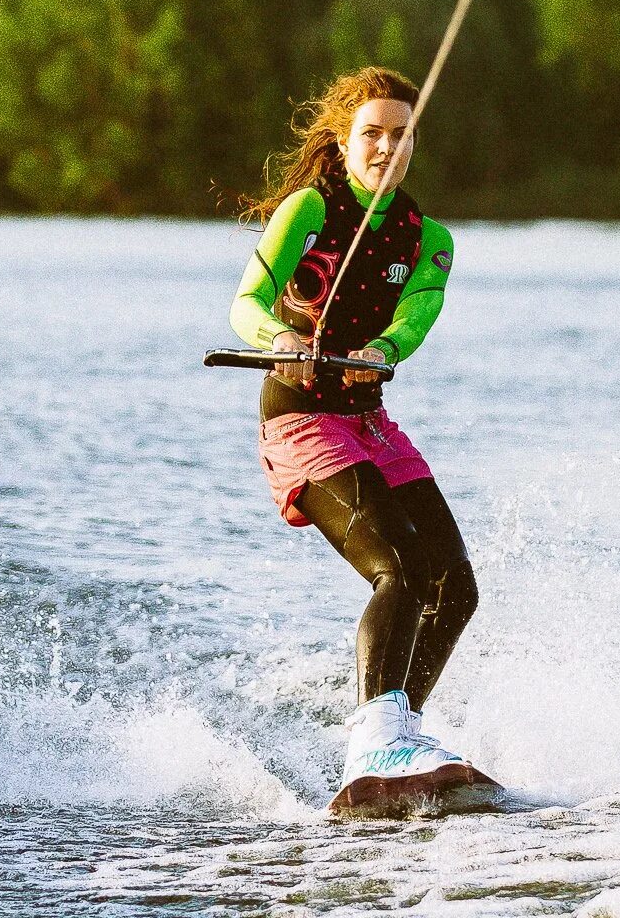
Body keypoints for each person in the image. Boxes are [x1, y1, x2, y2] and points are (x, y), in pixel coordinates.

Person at [230, 66, 479, 795]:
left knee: (453, 588)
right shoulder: (309, 210)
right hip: (302, 422)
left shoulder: (428, 238)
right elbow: (247, 301)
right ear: (343, 143)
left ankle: (392, 736)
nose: (386, 148)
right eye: (371, 134)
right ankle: (375, 742)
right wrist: (278, 336)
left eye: (401, 135)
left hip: (369, 421)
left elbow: (417, 313)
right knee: (396, 572)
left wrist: (385, 351)